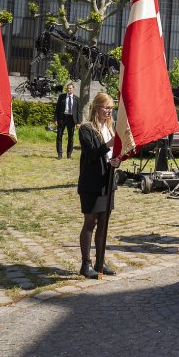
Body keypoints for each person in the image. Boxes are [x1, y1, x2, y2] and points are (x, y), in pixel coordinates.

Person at [77, 92, 121, 278]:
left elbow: (110, 156)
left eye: (111, 108)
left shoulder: (109, 129)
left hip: (107, 182)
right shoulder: (86, 128)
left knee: (103, 224)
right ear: (96, 108)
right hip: (91, 183)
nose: (109, 111)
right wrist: (109, 144)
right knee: (91, 222)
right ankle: (85, 264)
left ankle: (100, 262)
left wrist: (117, 160)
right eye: (106, 107)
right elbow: (92, 153)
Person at [55, 82, 80, 160]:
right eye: (68, 88)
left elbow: (79, 111)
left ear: (73, 89)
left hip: (71, 119)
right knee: (59, 136)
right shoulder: (61, 97)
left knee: (71, 137)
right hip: (62, 118)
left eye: (70, 88)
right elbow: (57, 109)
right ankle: (59, 154)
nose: (69, 90)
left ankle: (69, 154)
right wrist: (55, 119)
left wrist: (78, 122)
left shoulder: (77, 98)